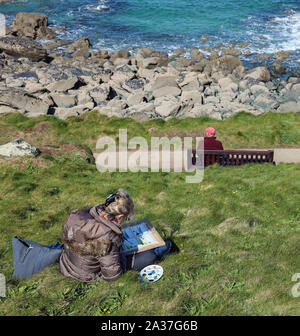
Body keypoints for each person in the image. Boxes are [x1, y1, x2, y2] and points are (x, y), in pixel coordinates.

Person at [59, 188, 172, 283]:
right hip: (85, 274)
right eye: (126, 218)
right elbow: (112, 275)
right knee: (149, 256)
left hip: (68, 263)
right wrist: (121, 252)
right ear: (119, 216)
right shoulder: (109, 237)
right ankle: (158, 251)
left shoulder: (82, 214)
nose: (125, 221)